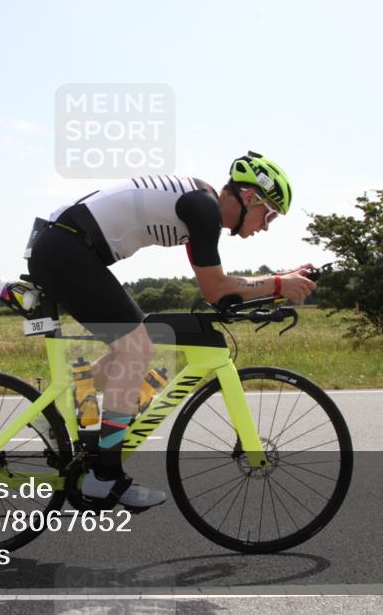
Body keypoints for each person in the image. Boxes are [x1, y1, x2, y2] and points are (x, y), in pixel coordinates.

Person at [26, 151, 317, 508]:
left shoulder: (202, 208)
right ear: (249, 197)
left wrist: (279, 281)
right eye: (269, 214)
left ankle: (58, 415)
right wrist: (277, 284)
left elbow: (220, 287)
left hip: (65, 245)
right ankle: (105, 476)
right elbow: (216, 288)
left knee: (137, 344)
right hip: (65, 247)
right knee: (137, 350)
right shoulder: (203, 208)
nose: (266, 225)